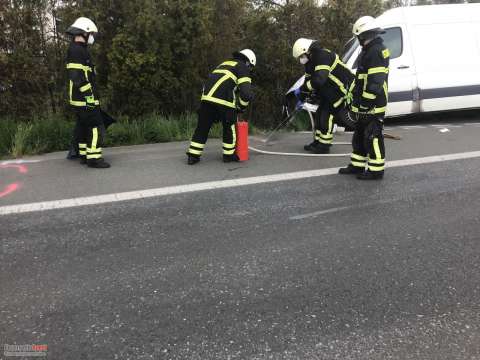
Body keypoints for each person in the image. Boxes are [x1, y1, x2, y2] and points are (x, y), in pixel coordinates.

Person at [339, 16, 390, 180]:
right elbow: (360, 78)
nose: (358, 40)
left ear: (364, 35)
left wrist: (366, 103)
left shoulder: (376, 52)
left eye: (359, 37)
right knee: (360, 135)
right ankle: (358, 165)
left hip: (373, 104)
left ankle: (376, 170)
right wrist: (353, 99)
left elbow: (375, 82)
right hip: (364, 103)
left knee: (372, 135)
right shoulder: (369, 50)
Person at [186, 49, 255, 165]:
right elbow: (246, 94)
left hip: (206, 98)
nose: (250, 70)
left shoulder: (224, 64)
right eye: (251, 67)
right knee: (229, 126)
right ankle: (228, 155)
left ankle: (193, 156)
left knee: (202, 127)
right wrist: (241, 108)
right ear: (249, 62)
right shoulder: (242, 67)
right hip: (224, 101)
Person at [292, 38, 354, 154]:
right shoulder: (310, 62)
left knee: (326, 115)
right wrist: (303, 96)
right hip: (330, 90)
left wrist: (303, 89)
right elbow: (309, 79)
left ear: (307, 51)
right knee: (319, 114)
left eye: (301, 56)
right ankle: (318, 142)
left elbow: (319, 79)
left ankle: (324, 145)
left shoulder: (322, 56)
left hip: (342, 89)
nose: (301, 59)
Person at [65, 17, 110, 168]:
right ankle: (94, 159)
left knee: (85, 127)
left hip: (81, 99)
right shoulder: (77, 50)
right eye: (91, 34)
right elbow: (77, 77)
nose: (92, 37)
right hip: (85, 99)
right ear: (84, 33)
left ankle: (84, 155)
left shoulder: (79, 49)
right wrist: (90, 98)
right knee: (96, 126)